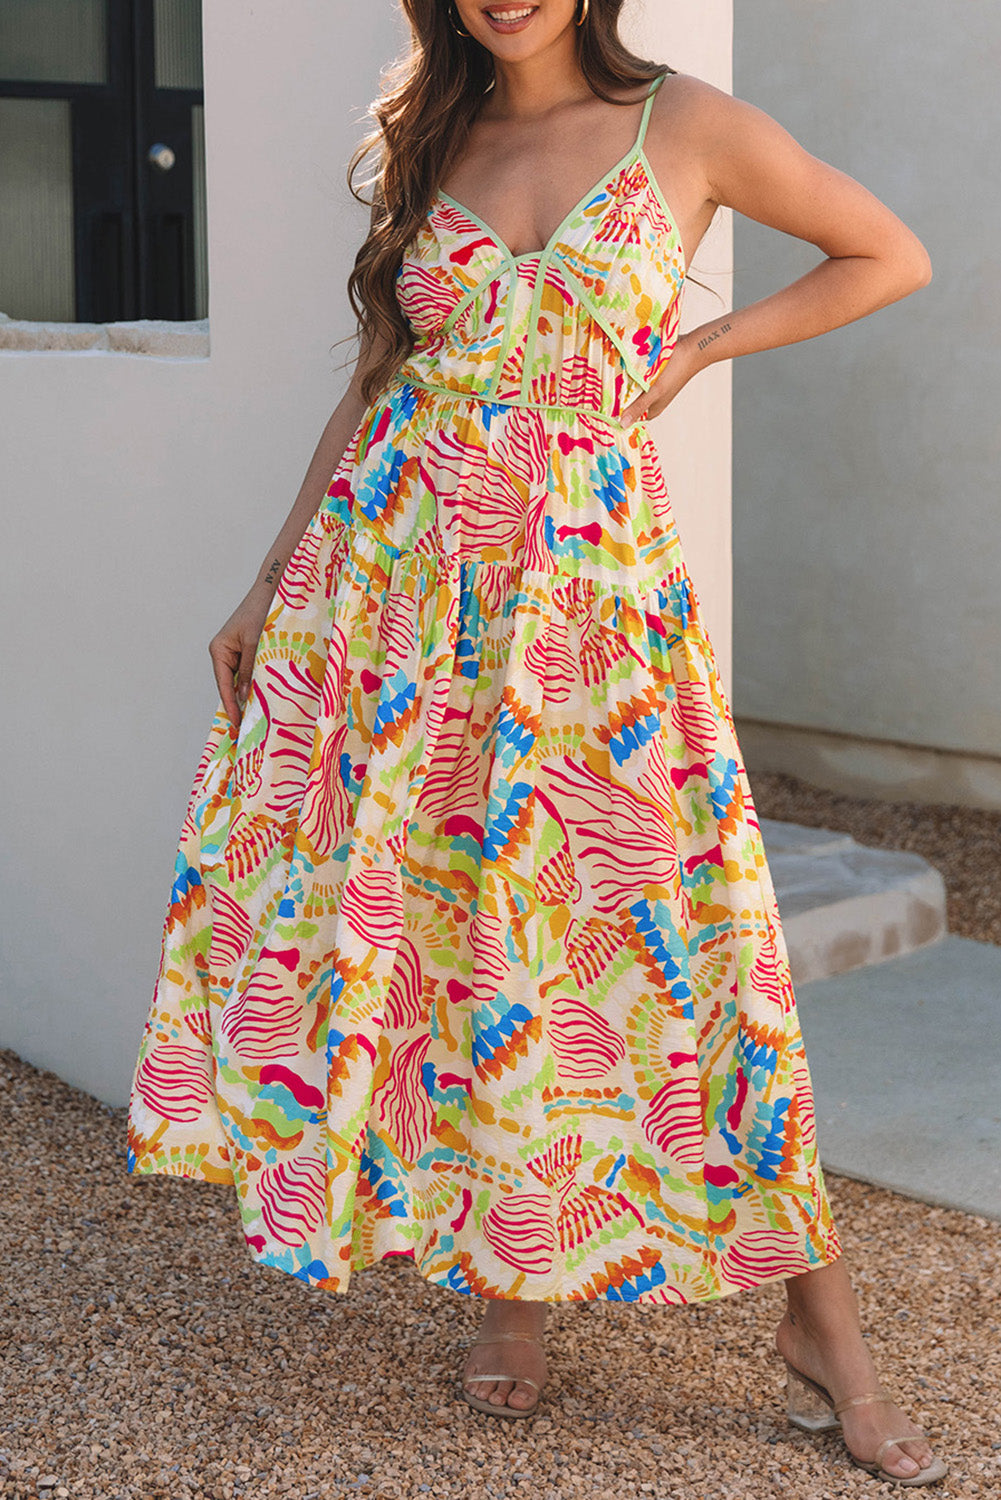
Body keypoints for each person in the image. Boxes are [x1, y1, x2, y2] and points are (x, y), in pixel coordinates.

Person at [126, 0, 945, 1485]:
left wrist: (702, 345)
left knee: (691, 940)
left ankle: (823, 1325)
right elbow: (377, 382)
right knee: (463, 924)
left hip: (591, 601)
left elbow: (886, 254)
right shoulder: (426, 135)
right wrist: (265, 582)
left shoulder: (684, 124)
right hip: (398, 597)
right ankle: (512, 1282)